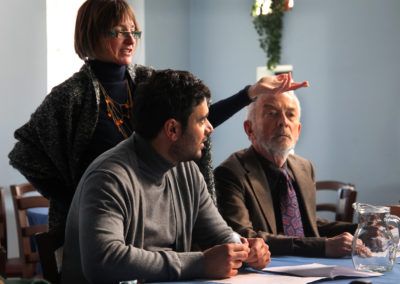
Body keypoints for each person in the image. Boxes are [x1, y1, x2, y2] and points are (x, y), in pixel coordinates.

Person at [8, 0, 308, 230]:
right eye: (120, 32)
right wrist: (76, 200)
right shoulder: (71, 95)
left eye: (133, 31)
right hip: (96, 227)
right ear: (93, 34)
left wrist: (250, 94)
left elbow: (193, 126)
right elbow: (25, 154)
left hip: (152, 220)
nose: (131, 40)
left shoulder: (149, 82)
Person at [60, 69, 271, 284]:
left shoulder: (187, 171)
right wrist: (199, 263)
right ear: (172, 129)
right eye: (202, 120)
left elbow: (219, 235)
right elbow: (103, 262)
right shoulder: (109, 178)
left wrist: (245, 249)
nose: (210, 128)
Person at [214, 90, 358, 257]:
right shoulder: (230, 173)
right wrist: (321, 246)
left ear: (298, 129)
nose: (283, 122)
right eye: (272, 114)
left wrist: (361, 229)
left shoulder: (305, 168)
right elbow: (243, 237)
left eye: (290, 115)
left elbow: (308, 224)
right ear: (249, 128)